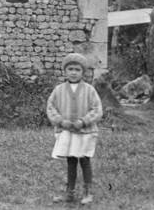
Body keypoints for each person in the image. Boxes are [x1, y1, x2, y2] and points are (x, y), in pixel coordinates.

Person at [46, 53, 103, 205]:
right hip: (67, 131)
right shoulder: (58, 90)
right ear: (65, 71)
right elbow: (51, 107)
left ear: (83, 72)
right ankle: (69, 193)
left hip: (85, 132)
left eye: (77, 69)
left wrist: (84, 121)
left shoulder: (89, 90)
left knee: (84, 160)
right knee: (71, 161)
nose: (73, 72)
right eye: (70, 69)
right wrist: (59, 121)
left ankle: (88, 192)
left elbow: (97, 109)